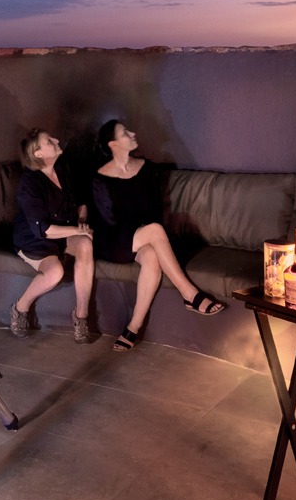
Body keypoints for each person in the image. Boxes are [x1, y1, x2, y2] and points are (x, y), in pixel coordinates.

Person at [91, 119, 225, 352]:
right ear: (113, 144)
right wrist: (141, 230)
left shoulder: (146, 168)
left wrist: (142, 231)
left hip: (143, 236)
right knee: (154, 230)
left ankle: (132, 327)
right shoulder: (100, 177)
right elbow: (107, 221)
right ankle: (189, 294)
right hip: (112, 240)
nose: (133, 133)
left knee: (152, 256)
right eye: (125, 133)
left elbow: (154, 209)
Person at [10, 128, 97, 342]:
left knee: (85, 244)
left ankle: (81, 316)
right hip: (35, 240)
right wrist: (77, 230)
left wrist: (82, 221)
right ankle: (20, 308)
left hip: (63, 232)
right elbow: (43, 230)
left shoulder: (63, 168)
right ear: (38, 153)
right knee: (55, 272)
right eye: (49, 141)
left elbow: (82, 200)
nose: (57, 140)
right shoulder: (29, 184)